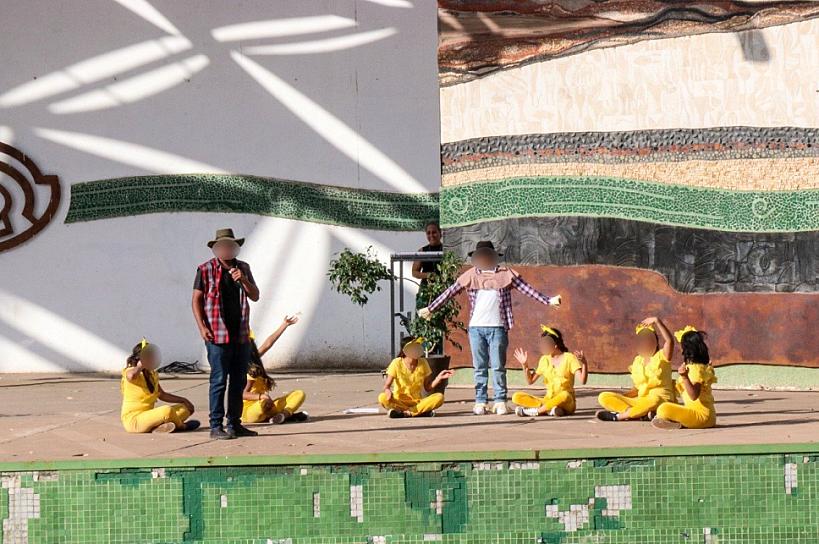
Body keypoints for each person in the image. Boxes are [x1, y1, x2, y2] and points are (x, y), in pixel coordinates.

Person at [419, 240, 561, 416]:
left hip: (498, 327)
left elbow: (528, 290)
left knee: (498, 366)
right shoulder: (470, 275)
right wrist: (431, 308)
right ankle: (480, 401)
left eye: (488, 255)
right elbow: (450, 292)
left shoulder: (506, 274)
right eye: (482, 255)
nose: (485, 258)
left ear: (493, 256)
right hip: (476, 328)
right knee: (479, 366)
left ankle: (500, 400)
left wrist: (548, 300)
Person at [192, 228, 260, 440]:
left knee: (238, 380)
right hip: (216, 334)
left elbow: (255, 296)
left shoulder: (243, 268)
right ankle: (215, 426)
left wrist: (244, 280)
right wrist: (202, 327)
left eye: (231, 246)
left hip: (240, 334)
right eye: (222, 246)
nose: (227, 249)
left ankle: (234, 424)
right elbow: (196, 300)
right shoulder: (205, 270)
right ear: (216, 249)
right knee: (219, 380)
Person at [595, 316, 676, 422]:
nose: (646, 343)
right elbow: (637, 389)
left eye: (649, 339)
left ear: (655, 341)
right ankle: (639, 414)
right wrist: (620, 397)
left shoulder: (662, 356)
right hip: (641, 401)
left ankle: (620, 416)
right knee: (604, 396)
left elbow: (670, 341)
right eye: (643, 340)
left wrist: (657, 321)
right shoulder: (638, 360)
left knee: (654, 401)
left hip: (661, 400)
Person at [121, 339, 199, 433]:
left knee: (185, 409)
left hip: (148, 415)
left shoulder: (152, 374)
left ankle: (158, 426)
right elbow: (131, 376)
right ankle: (182, 426)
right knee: (167, 410)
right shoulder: (132, 371)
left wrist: (184, 400)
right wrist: (140, 366)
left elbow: (162, 395)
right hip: (134, 420)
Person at [241, 315, 308, 425]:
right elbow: (241, 394)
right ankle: (282, 416)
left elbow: (268, 343)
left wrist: (284, 325)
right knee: (262, 404)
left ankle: (283, 415)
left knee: (299, 394)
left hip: (266, 404)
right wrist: (261, 397)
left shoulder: (254, 359)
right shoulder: (241, 365)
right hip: (249, 411)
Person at [511, 326, 588, 417]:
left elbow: (583, 381)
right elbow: (530, 381)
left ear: (555, 345)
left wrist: (584, 363)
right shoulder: (544, 359)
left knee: (565, 395)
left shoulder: (569, 358)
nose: (542, 347)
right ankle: (551, 410)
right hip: (548, 400)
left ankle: (537, 411)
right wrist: (525, 365)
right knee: (516, 397)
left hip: (567, 401)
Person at [652, 326, 717, 430]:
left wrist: (684, 377)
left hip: (701, 416)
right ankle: (675, 421)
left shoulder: (696, 369)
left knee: (663, 409)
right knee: (665, 407)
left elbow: (694, 396)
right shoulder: (695, 366)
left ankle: (673, 420)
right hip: (699, 414)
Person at [378, 337, 454, 418]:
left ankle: (406, 412)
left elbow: (428, 387)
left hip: (417, 402)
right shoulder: (396, 363)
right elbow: (387, 385)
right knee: (382, 397)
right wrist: (387, 391)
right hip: (399, 401)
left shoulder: (423, 362)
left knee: (439, 397)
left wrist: (438, 378)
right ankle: (418, 412)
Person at [412, 220, 443, 308]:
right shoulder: (422, 251)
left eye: (434, 232)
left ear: (440, 233)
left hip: (442, 288)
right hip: (426, 289)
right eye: (428, 233)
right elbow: (414, 272)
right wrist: (428, 275)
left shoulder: (446, 250)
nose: (431, 235)